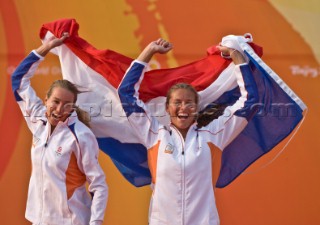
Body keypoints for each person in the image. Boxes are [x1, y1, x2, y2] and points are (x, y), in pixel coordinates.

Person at [118, 38, 259, 225]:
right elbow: (126, 94)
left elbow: (249, 102)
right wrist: (148, 52)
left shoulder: (214, 135)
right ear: (167, 108)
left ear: (196, 108)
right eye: (177, 103)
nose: (183, 108)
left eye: (189, 103)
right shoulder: (153, 134)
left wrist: (237, 58)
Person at [11, 33, 108, 225]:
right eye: (55, 102)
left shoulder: (80, 135)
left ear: (73, 107)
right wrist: (46, 48)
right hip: (38, 219)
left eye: (67, 105)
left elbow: (99, 185)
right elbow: (19, 80)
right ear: (46, 100)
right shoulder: (38, 119)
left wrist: (96, 222)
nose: (59, 109)